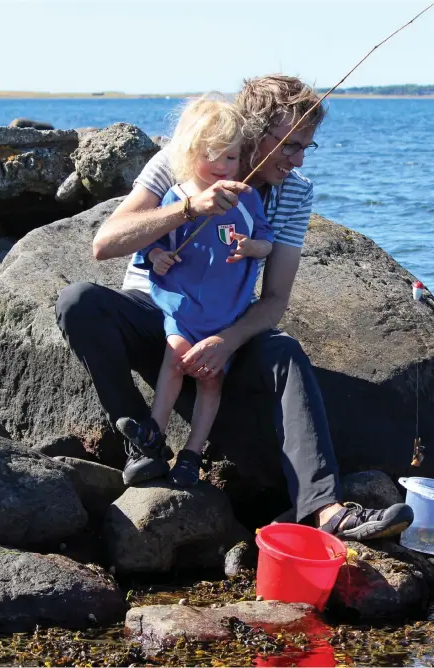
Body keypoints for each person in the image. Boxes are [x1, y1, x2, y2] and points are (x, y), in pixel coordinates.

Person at [56, 74, 414, 541]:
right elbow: (105, 244)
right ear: (253, 132)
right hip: (154, 313)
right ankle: (142, 441)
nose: (298, 159)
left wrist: (227, 342)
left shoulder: (294, 191)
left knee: (284, 353)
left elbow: (275, 299)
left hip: (220, 325)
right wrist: (190, 209)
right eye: (289, 145)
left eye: (307, 147)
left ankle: (326, 511)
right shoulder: (183, 156)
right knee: (79, 301)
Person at [116, 96, 274, 487]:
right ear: (189, 153)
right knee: (174, 361)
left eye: (232, 158)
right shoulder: (176, 198)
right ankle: (154, 432)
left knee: (210, 378)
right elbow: (149, 244)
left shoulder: (247, 197)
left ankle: (192, 452)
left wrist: (251, 247)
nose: (222, 167)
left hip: (225, 312)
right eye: (212, 156)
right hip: (183, 307)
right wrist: (157, 256)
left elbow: (267, 241)